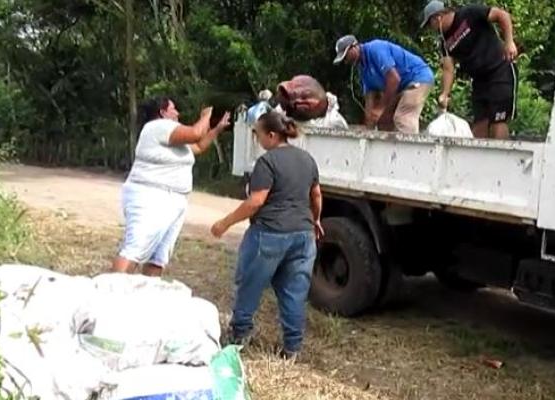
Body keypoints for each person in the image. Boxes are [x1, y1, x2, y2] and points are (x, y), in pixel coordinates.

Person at [211, 111, 323, 359]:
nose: (257, 139)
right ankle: (292, 347)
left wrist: (224, 223)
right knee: (294, 292)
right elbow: (316, 195)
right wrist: (315, 220)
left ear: (271, 135)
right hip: (303, 235)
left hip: (270, 234)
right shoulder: (307, 159)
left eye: (258, 134)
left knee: (249, 284)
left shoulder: (267, 162)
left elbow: (256, 201)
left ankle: (239, 336)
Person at [112, 97, 230, 277]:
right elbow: (196, 133)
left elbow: (198, 146)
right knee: (134, 249)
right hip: (151, 197)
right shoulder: (158, 126)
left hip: (173, 199)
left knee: (158, 258)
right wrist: (206, 115)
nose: (177, 113)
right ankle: (112, 289)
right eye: (173, 109)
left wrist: (217, 129)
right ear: (162, 112)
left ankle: (147, 289)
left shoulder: (171, 136)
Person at [421, 0, 518, 139]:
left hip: (499, 70)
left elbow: (501, 15)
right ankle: (477, 153)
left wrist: (509, 42)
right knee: (479, 127)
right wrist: (445, 94)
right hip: (479, 81)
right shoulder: (445, 42)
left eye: (430, 24)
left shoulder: (469, 14)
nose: (432, 29)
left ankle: (502, 152)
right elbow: (448, 69)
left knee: (497, 121)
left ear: (438, 18)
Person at [333, 35, 434, 134]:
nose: (346, 61)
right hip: (401, 87)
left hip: (418, 78)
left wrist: (380, 108)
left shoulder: (375, 49)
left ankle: (409, 145)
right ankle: (386, 144)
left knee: (402, 117)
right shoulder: (364, 70)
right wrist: (369, 127)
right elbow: (369, 99)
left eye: (346, 56)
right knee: (383, 119)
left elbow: (394, 80)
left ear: (354, 47)